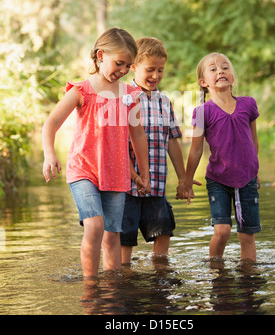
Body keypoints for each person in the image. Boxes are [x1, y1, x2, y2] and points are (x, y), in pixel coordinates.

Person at [42, 28, 150, 277]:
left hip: (116, 174)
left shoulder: (129, 95)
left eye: (127, 66)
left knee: (112, 234)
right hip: (84, 170)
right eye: (119, 63)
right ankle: (90, 287)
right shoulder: (81, 91)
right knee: (95, 225)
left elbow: (138, 135)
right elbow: (51, 124)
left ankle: (111, 290)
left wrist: (143, 173)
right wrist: (49, 154)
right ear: (101, 55)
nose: (123, 70)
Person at [184, 52, 261, 262]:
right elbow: (196, 150)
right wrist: (187, 181)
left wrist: (256, 172)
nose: (220, 71)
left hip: (247, 179)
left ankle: (248, 277)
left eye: (225, 67)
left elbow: (253, 141)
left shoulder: (248, 104)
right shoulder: (202, 112)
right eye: (213, 69)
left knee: (247, 235)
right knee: (222, 231)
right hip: (218, 180)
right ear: (203, 82)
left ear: (232, 77)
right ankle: (217, 274)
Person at [121, 37, 191, 263]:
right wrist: (135, 175)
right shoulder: (124, 98)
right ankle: (125, 276)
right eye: (149, 69)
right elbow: (118, 143)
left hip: (157, 184)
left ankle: (160, 273)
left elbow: (172, 140)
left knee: (163, 229)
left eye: (160, 70)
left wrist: (183, 178)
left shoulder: (164, 102)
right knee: (125, 236)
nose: (155, 75)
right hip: (127, 185)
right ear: (134, 67)